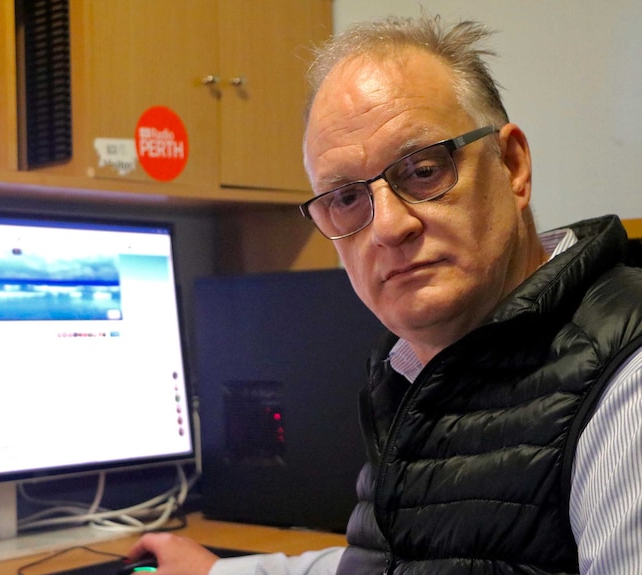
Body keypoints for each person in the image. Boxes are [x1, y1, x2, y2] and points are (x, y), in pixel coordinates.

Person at [126, 14, 642, 575]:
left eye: (422, 170)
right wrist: (218, 573)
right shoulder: (414, 372)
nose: (389, 227)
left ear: (512, 166)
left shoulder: (624, 382)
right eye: (346, 198)